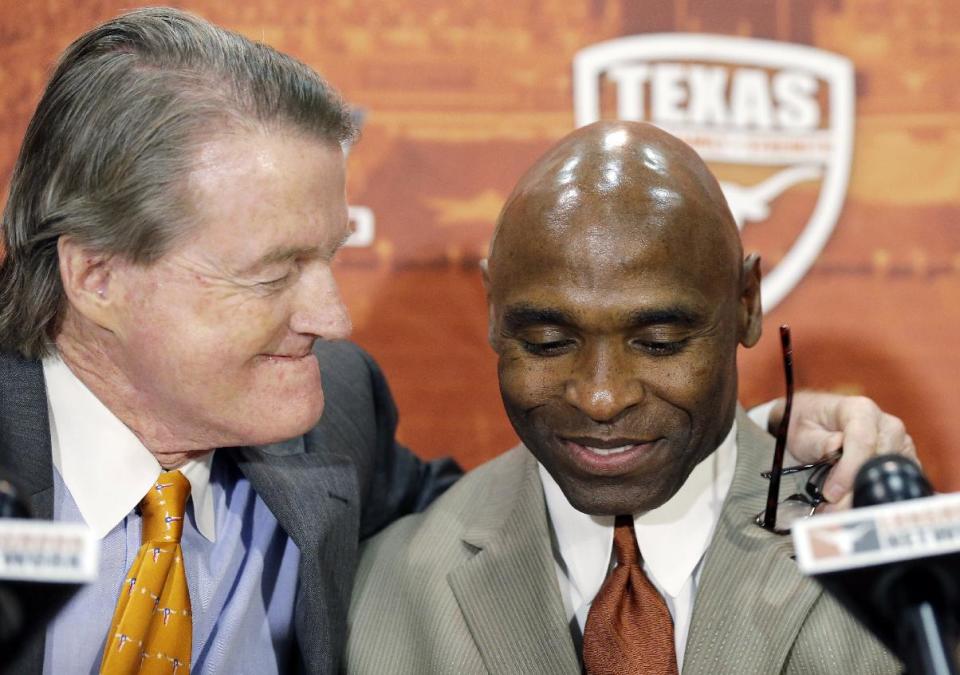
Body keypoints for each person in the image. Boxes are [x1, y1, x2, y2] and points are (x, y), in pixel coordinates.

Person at [0, 8, 912, 675]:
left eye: (331, 258)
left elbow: (538, 499)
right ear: (97, 276)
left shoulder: (333, 411)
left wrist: (769, 432)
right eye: (273, 273)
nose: (331, 317)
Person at [344, 122, 907, 674]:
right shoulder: (385, 591)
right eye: (549, 342)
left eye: (659, 344)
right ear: (493, 313)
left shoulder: (894, 564)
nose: (601, 397)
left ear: (746, 303)